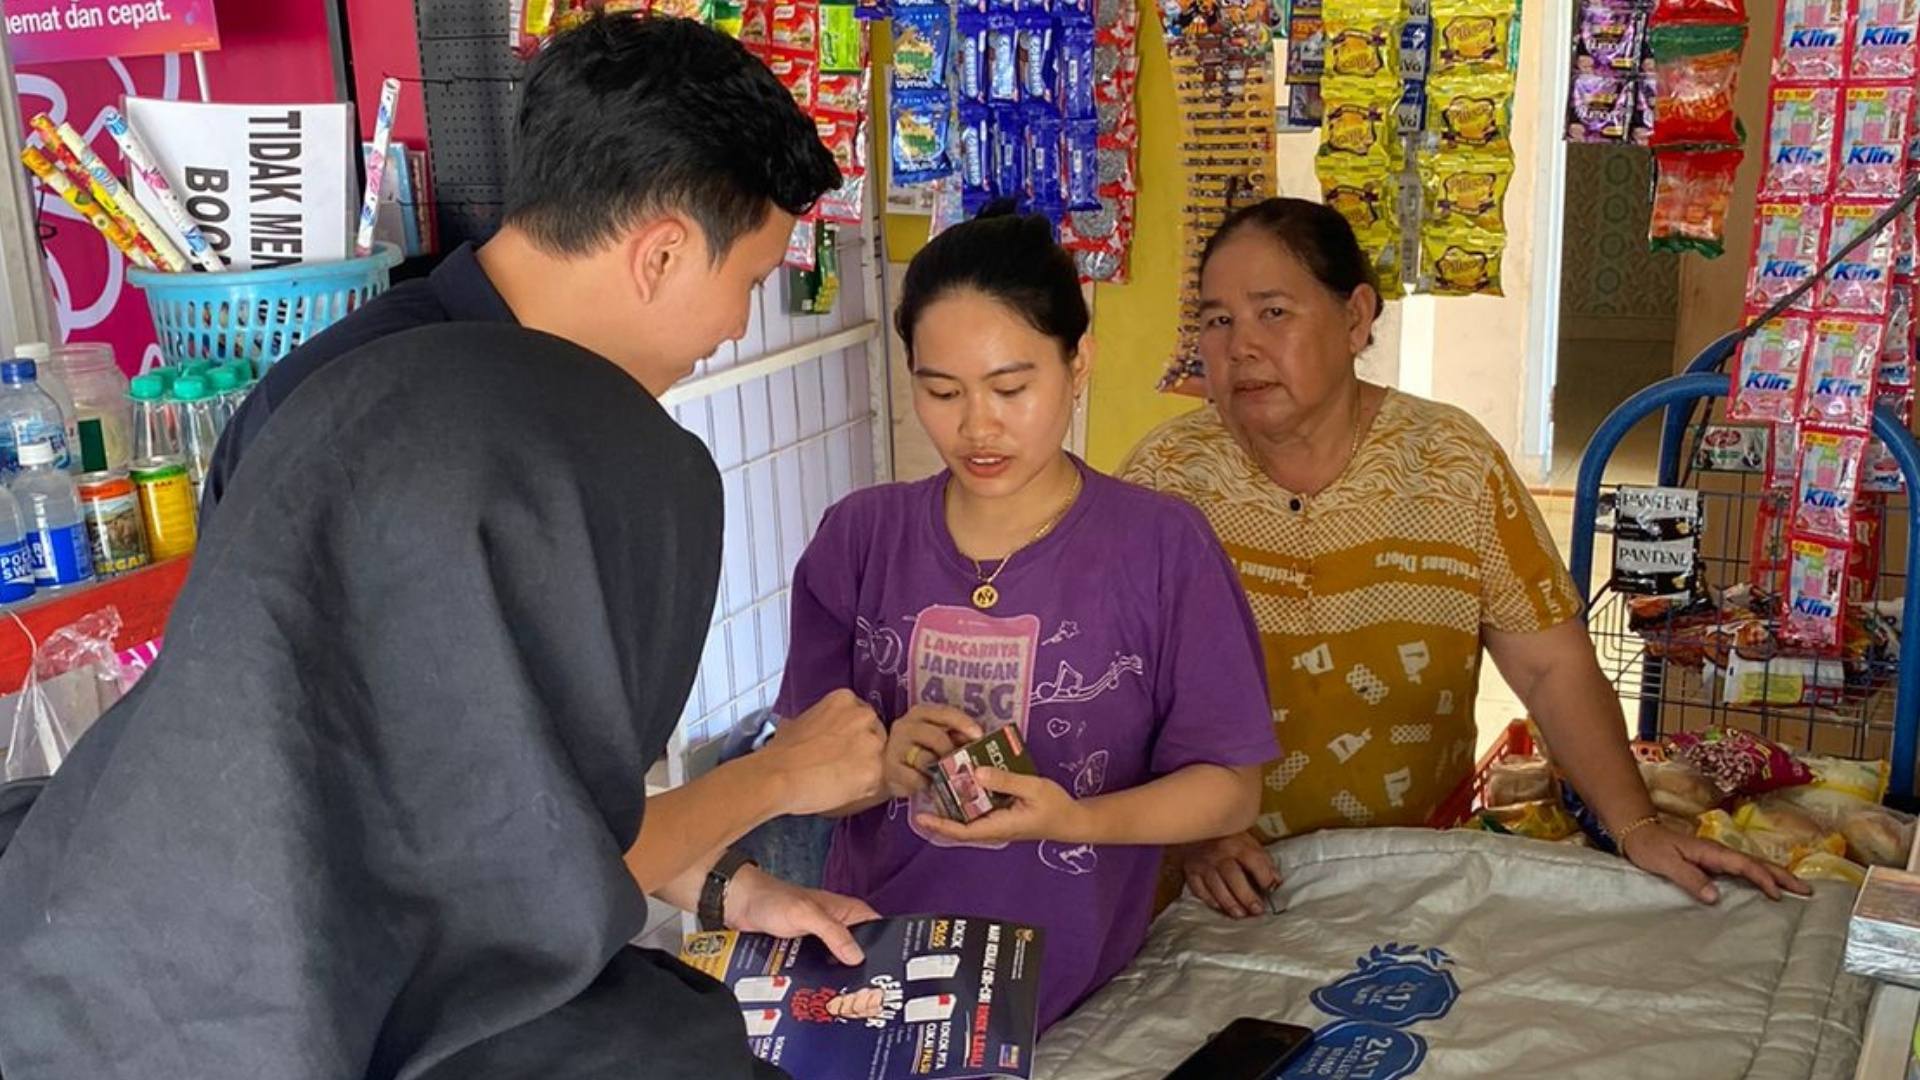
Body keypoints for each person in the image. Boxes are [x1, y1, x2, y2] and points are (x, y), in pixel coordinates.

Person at [197, 13, 887, 942]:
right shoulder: (463, 459)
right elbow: (514, 878)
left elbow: (545, 789)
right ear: (665, 254)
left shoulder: (348, 380)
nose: (734, 326)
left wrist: (740, 891)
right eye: (753, 282)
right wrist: (777, 777)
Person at [0, 323, 831, 1077]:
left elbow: (471, 830)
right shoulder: (623, 1052)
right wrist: (773, 783)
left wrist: (727, 879)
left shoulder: (50, 844)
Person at [1119, 197, 1804, 917]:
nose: (1240, 346)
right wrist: (1191, 834)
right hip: (1220, 889)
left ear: (1355, 318)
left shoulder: (1452, 463)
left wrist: (1636, 827)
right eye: (1218, 319)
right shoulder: (1165, 479)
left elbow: (1549, 666)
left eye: (1273, 312)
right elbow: (1118, 696)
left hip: (1413, 871)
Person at [773, 211, 1279, 1033]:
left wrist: (1078, 821)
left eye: (1012, 388)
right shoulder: (861, 538)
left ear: (1079, 363)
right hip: (879, 976)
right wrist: (877, 769)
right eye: (941, 391)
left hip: (1080, 994)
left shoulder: (1159, 545)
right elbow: (796, 777)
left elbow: (1228, 789)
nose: (978, 427)